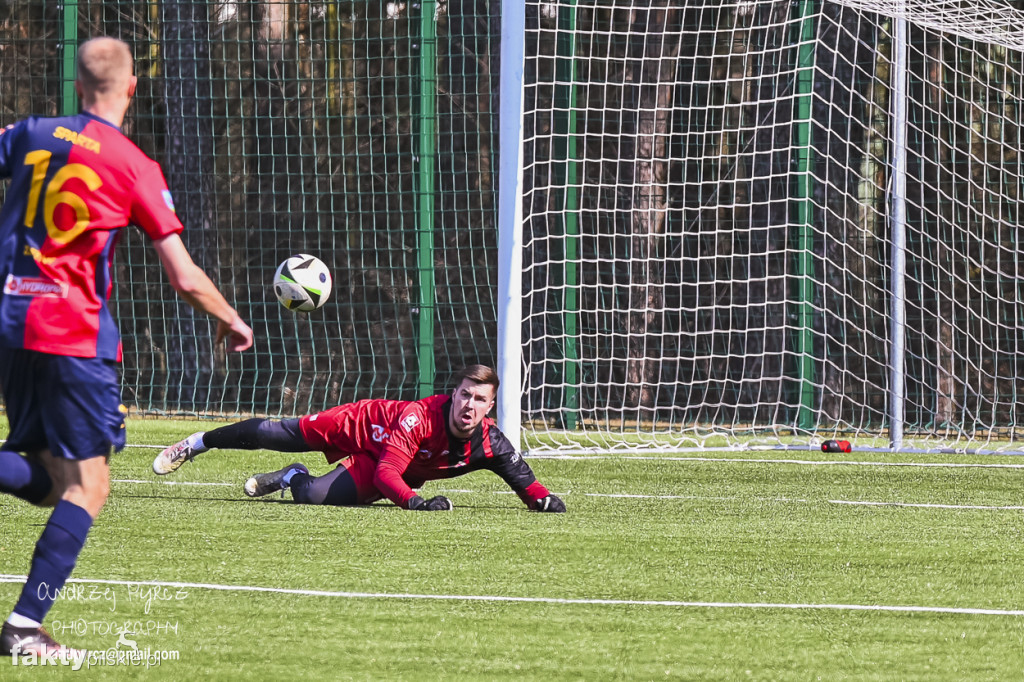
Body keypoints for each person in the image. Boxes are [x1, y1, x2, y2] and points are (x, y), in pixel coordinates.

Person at [0, 37, 254, 657]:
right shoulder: (134, 165)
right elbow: (184, 275)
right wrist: (230, 317)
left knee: (50, 482)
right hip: (72, 335)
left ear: (78, 85)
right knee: (90, 486)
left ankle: (23, 627)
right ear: (132, 88)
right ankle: (24, 628)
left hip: (12, 320)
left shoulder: (32, 132)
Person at [153, 364, 566, 514]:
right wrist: (417, 503)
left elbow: (525, 481)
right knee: (275, 433)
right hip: (362, 425)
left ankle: (290, 477)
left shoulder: (492, 443)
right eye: (464, 395)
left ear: (489, 408)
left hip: (387, 465)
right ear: (453, 394)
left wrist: (543, 498)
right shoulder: (419, 418)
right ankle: (197, 442)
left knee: (312, 497)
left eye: (479, 400)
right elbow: (391, 473)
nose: (469, 406)